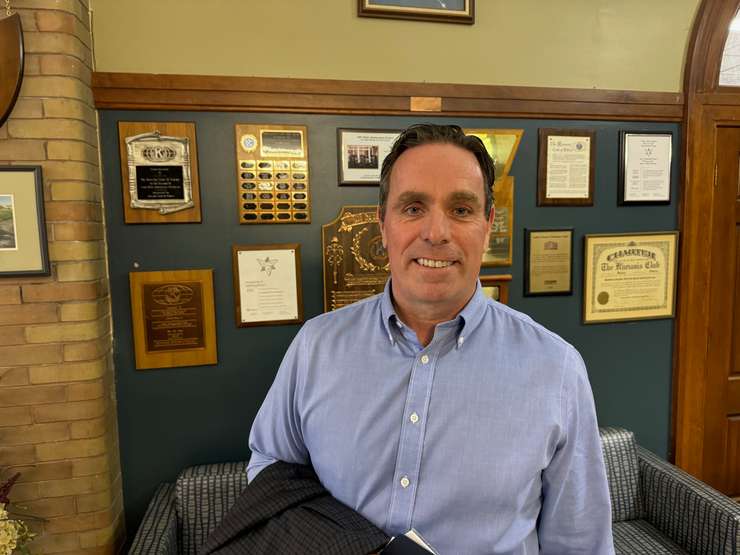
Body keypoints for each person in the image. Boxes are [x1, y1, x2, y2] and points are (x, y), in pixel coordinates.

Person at [248, 124, 615, 554]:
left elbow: (580, 542)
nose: (436, 232)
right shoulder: (316, 348)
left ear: (487, 224)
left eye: (461, 209)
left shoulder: (556, 369)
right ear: (383, 224)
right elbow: (270, 474)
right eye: (413, 207)